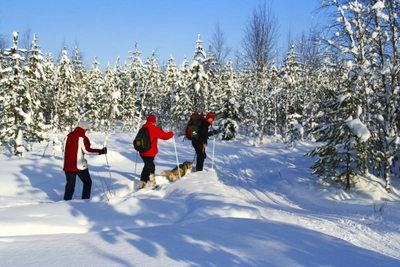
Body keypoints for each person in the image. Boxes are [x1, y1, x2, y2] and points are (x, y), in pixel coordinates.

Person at [63, 120, 107, 200]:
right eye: (87, 129)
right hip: (79, 165)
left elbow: (64, 149)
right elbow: (87, 150)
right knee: (87, 182)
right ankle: (85, 201)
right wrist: (101, 151)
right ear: (84, 128)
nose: (87, 131)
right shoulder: (82, 138)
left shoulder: (68, 136)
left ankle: (66, 201)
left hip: (68, 165)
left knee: (70, 185)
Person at [138, 115, 174, 189]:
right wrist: (171, 133)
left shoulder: (142, 128)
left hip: (142, 151)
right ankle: (148, 183)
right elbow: (164, 136)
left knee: (148, 166)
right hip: (149, 152)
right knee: (150, 166)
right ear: (154, 121)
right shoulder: (153, 128)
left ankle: (146, 182)